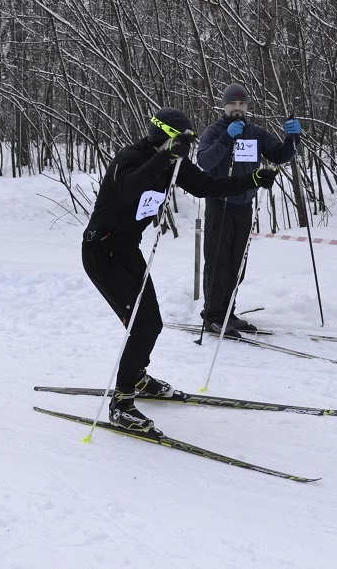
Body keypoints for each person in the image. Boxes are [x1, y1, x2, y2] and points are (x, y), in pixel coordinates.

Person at [82, 107, 278, 433]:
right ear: (165, 136)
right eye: (181, 141)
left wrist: (252, 180)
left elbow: (208, 186)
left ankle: (138, 377)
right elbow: (129, 188)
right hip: (101, 254)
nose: (185, 148)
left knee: (153, 323)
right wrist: (165, 157)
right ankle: (121, 403)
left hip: (127, 252)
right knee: (142, 326)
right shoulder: (129, 157)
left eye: (188, 143)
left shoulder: (173, 164)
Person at [196, 82, 301, 337]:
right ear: (224, 106)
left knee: (236, 264)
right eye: (232, 103)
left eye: (242, 104)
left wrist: (292, 137)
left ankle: (227, 312)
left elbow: (279, 155)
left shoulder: (255, 133)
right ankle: (212, 315)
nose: (237, 108)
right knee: (218, 262)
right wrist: (227, 137)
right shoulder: (214, 131)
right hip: (220, 205)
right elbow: (204, 161)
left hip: (244, 206)